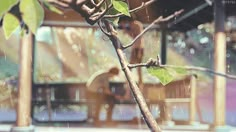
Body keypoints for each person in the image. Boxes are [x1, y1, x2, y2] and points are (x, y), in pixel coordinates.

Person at [118, 16, 144, 88]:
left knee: (137, 68)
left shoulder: (137, 25)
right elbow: (133, 37)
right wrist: (125, 30)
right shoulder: (133, 26)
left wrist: (138, 51)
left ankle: (131, 84)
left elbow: (139, 37)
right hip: (136, 48)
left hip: (138, 48)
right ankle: (128, 84)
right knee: (132, 67)